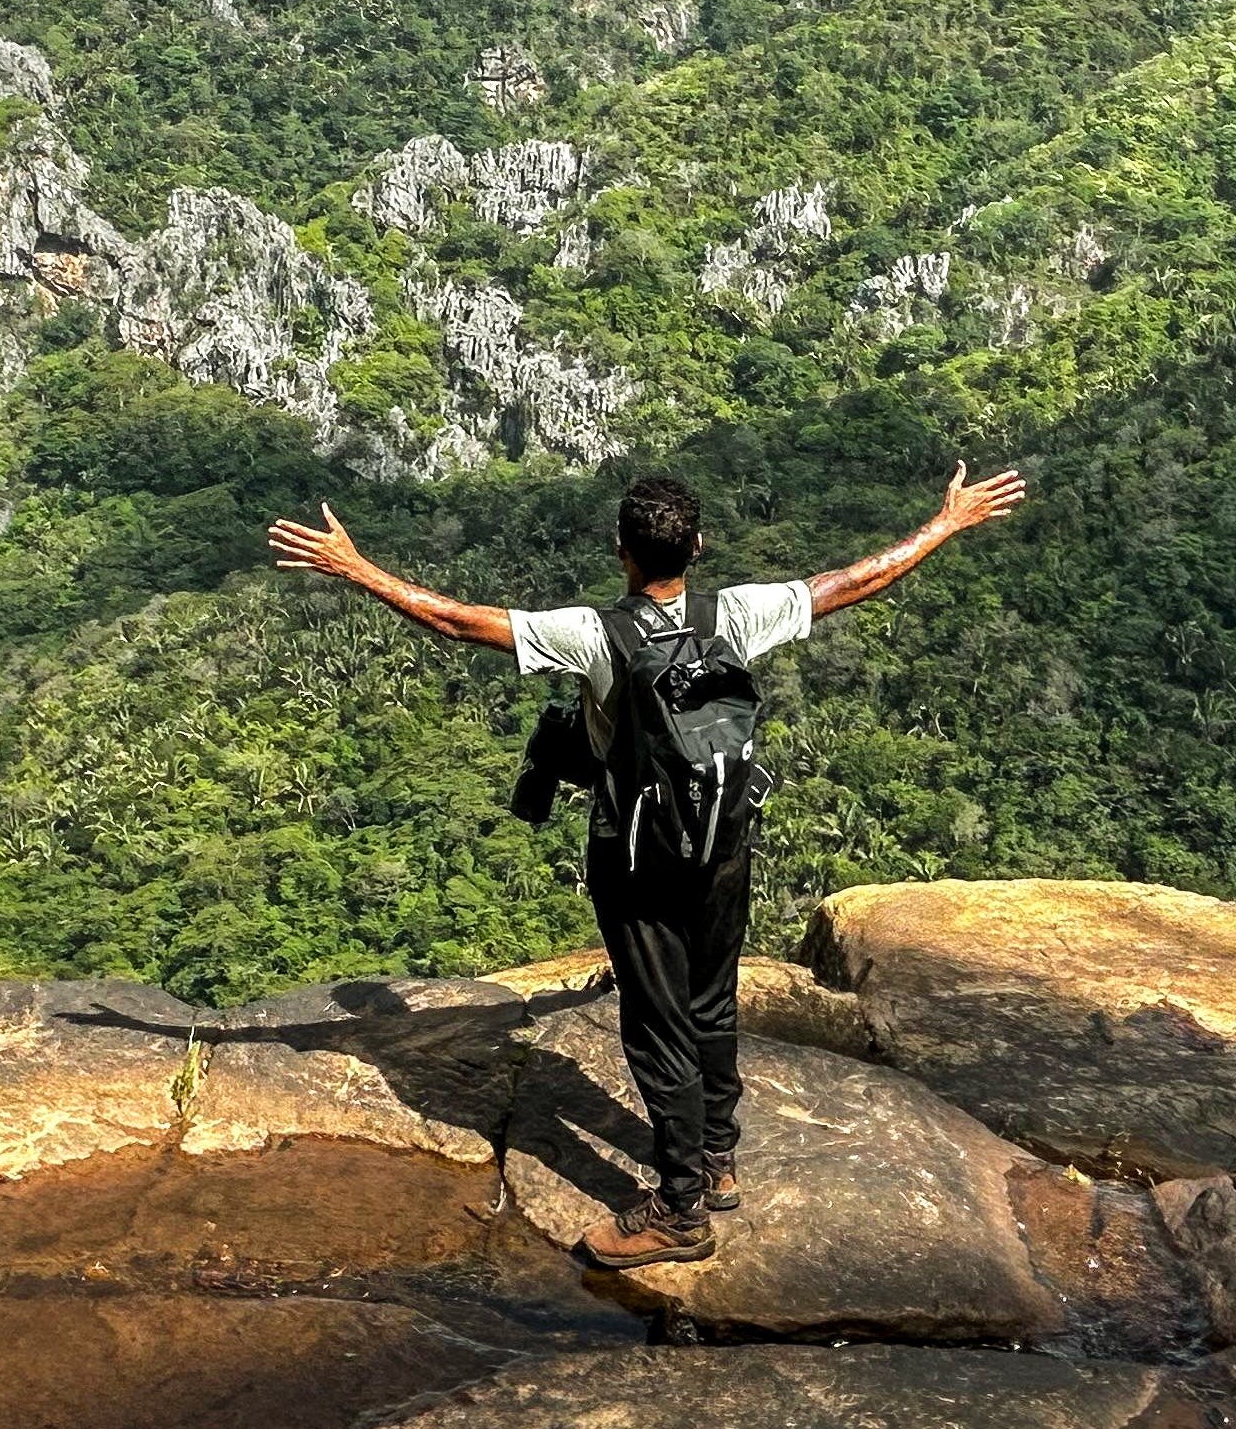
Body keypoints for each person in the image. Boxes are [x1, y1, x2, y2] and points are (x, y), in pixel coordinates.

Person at [266, 461, 1028, 1269]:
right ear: (696, 547)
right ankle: (719, 1157)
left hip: (637, 856)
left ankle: (679, 1209)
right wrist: (945, 525)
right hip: (724, 843)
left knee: (655, 1021)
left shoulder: (595, 635)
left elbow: (458, 622)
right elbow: (847, 583)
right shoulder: (737, 615)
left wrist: (355, 568)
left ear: (620, 551)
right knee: (711, 999)